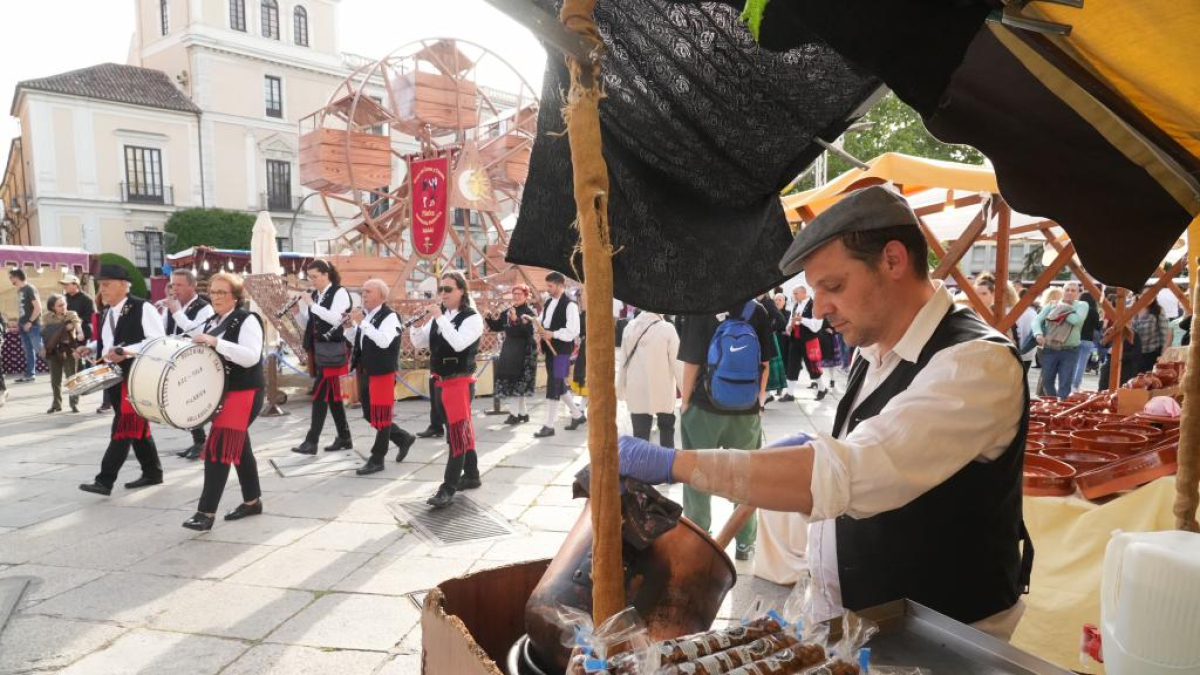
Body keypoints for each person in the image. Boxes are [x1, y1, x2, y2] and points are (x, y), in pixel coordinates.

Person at [615, 186, 1032, 640]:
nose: (818, 307)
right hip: (869, 629)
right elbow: (858, 450)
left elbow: (854, 474)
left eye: (833, 286)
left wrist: (674, 463)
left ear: (893, 260)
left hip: (945, 640)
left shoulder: (975, 363)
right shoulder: (871, 351)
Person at [678, 296, 776, 561]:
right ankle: (744, 543)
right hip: (745, 411)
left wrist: (685, 402)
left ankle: (700, 540)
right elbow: (764, 364)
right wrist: (759, 400)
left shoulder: (700, 306)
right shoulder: (757, 310)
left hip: (703, 407)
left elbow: (691, 362)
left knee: (696, 476)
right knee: (746, 477)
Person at [181, 273, 265, 531]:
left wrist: (216, 342)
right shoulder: (213, 321)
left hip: (244, 393)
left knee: (218, 450)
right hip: (224, 393)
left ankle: (205, 513)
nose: (216, 297)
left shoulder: (248, 319)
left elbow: (251, 357)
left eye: (222, 293)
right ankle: (252, 501)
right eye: (213, 292)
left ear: (237, 297)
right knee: (239, 448)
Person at [74, 264, 167, 496]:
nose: (101, 289)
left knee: (124, 426)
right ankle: (152, 472)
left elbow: (158, 341)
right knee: (135, 425)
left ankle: (105, 480)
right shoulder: (106, 311)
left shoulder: (142, 307)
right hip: (113, 376)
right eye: (100, 285)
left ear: (124, 285)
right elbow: (108, 342)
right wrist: (90, 347)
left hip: (135, 376)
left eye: (106, 284)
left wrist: (126, 351)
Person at [410, 271, 484, 507]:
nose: (443, 294)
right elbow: (420, 343)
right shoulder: (439, 317)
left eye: (448, 289)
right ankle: (472, 475)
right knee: (459, 430)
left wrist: (440, 318)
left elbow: (459, 343)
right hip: (440, 381)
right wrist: (417, 325)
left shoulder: (472, 318)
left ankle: (448, 487)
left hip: (459, 382)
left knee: (456, 436)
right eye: (441, 289)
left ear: (462, 290)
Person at [349, 279, 416, 476]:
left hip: (382, 371)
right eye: (363, 291)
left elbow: (384, 341)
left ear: (381, 295)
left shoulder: (390, 317)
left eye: (368, 291)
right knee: (370, 414)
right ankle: (403, 437)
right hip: (365, 370)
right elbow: (361, 341)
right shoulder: (367, 316)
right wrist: (349, 329)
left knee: (382, 415)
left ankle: (377, 458)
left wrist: (364, 323)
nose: (364, 294)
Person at [291, 260, 354, 455]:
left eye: (315, 277)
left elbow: (337, 319)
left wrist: (310, 304)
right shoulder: (318, 295)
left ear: (326, 274)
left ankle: (312, 441)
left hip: (335, 350)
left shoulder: (339, 292)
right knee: (334, 398)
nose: (312, 281)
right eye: (310, 277)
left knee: (319, 395)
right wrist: (297, 313)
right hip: (321, 351)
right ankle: (344, 438)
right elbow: (311, 325)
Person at [163, 269, 215, 459]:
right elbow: (163, 332)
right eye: (172, 285)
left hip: (197, 362)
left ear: (192, 286)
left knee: (197, 402)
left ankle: (204, 442)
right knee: (186, 402)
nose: (174, 289)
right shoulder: (172, 307)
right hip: (177, 360)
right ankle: (198, 441)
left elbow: (197, 333)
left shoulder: (204, 307)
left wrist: (176, 313)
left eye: (179, 285)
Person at [618, 308, 681, 448]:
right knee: (666, 430)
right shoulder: (667, 329)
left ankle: (642, 467)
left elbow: (623, 361)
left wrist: (620, 390)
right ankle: (667, 466)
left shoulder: (629, 327)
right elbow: (678, 364)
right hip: (662, 388)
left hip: (637, 388)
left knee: (640, 436)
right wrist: (686, 393)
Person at [533, 271, 584, 438]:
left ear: (560, 285)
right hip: (549, 349)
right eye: (547, 285)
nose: (548, 289)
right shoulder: (548, 302)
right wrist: (537, 325)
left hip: (562, 350)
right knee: (558, 383)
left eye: (550, 286)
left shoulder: (570, 305)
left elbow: (573, 331)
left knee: (554, 384)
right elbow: (543, 321)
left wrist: (552, 334)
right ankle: (577, 415)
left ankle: (549, 425)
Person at [485, 284, 538, 425]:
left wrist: (516, 320)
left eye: (519, 294)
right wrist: (489, 318)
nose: (516, 296)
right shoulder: (507, 311)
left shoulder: (529, 313)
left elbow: (527, 332)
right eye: (514, 294)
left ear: (526, 296)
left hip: (524, 350)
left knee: (517, 382)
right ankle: (523, 414)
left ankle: (514, 415)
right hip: (510, 349)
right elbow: (497, 327)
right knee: (514, 382)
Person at [1032, 282, 1088, 399]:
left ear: (1078, 293)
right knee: (1046, 381)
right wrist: (1038, 334)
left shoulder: (1082, 305)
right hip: (1049, 349)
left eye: (1073, 290)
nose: (1069, 292)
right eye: (1067, 290)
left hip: (1070, 351)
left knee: (1065, 383)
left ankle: (1061, 406)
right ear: (1063, 291)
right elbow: (1037, 320)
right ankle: (1053, 405)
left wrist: (1060, 310)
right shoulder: (1052, 305)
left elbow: (1076, 321)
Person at [42, 294, 83, 413]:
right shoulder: (47, 317)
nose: (63, 307)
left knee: (72, 378)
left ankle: (74, 404)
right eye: (60, 305)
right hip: (53, 351)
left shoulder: (71, 314)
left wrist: (80, 332)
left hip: (69, 350)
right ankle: (56, 404)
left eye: (64, 304)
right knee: (55, 380)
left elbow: (78, 324)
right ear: (52, 307)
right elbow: (44, 331)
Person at [9, 268, 42, 383]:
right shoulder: (20, 290)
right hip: (23, 324)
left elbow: (38, 308)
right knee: (28, 351)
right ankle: (30, 374)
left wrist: (30, 322)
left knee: (39, 349)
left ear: (17, 277)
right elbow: (24, 309)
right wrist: (20, 322)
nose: (10, 279)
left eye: (11, 277)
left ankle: (58, 367)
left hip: (32, 325)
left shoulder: (30, 289)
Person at [1133, 296, 1171, 374]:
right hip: (1133, 355)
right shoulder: (1131, 310)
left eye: (1152, 295)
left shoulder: (1158, 311)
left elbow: (1165, 335)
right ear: (1138, 295)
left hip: (1151, 355)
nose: (1149, 297)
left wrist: (1163, 355)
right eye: (1145, 294)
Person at [1072, 290, 1100, 392]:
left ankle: (1070, 384)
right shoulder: (1094, 311)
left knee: (1073, 363)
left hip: (1075, 338)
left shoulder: (1077, 310)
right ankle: (1076, 385)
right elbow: (1097, 326)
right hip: (1088, 340)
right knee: (1082, 363)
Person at [764, 293, 789, 404]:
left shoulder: (768, 302)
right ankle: (767, 395)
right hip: (762, 339)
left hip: (768, 339)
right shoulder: (757, 302)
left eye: (780, 299)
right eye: (777, 299)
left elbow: (781, 320)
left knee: (767, 367)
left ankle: (766, 395)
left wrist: (770, 329)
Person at [570, 287, 589, 415]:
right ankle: (581, 406)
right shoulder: (583, 313)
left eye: (581, 296)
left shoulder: (593, 313)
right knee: (582, 375)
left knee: (587, 376)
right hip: (585, 346)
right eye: (579, 297)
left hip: (592, 347)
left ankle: (581, 408)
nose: (580, 299)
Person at [60, 274, 95, 344]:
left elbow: (90, 316)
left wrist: (74, 324)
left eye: (67, 284)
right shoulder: (63, 298)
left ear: (75, 285)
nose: (64, 287)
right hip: (66, 334)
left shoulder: (86, 299)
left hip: (83, 333)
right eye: (63, 284)